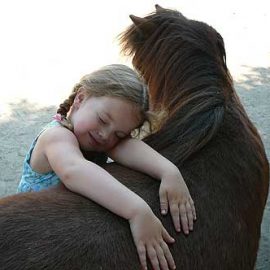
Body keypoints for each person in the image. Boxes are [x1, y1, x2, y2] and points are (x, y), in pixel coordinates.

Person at [17, 64, 196, 270]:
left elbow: (127, 148)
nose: (105, 135)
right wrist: (137, 211)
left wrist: (169, 172)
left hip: (64, 231)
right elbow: (73, 170)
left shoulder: (99, 139)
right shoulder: (56, 136)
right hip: (32, 237)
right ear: (80, 98)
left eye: (118, 134)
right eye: (102, 120)